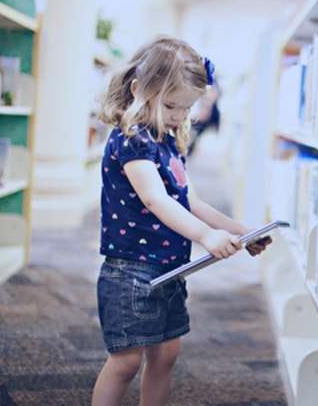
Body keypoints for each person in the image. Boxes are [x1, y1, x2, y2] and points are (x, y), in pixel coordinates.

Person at [92, 37, 272, 406]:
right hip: (131, 272)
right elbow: (155, 199)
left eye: (186, 108)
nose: (178, 116)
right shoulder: (132, 140)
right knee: (125, 361)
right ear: (139, 90)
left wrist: (239, 231)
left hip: (170, 268)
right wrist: (206, 236)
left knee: (167, 355)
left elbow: (187, 200)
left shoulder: (166, 141)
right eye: (171, 105)